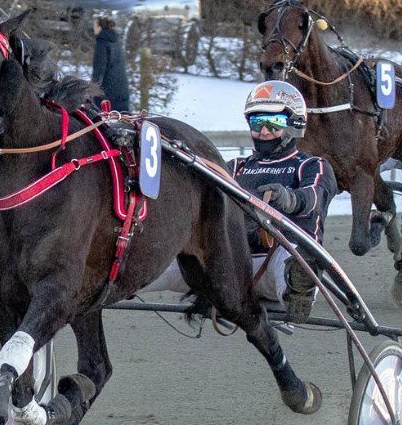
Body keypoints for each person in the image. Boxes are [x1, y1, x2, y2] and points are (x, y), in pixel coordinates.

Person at [141, 81, 335, 322]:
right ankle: (113, 280)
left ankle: (298, 288)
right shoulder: (235, 167)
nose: (263, 131)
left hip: (279, 260)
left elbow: (314, 198)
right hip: (227, 264)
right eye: (257, 122)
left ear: (294, 124)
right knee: (159, 259)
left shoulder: (312, 166)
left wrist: (287, 198)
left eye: (273, 123)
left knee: (294, 257)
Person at [91, 16, 131, 112]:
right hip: (121, 90)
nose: (93, 28)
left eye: (94, 26)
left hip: (108, 93)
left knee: (103, 123)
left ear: (100, 27)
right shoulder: (115, 40)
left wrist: (91, 91)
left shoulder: (102, 43)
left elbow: (99, 70)